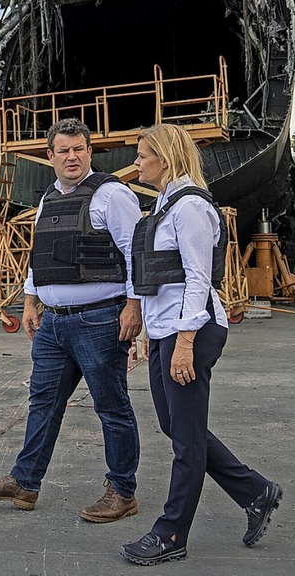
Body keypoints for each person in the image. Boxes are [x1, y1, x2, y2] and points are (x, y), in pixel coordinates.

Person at [121, 124, 282, 565]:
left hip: (191, 329)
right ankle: (255, 491)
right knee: (177, 427)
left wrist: (185, 342)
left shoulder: (190, 208)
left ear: (167, 159)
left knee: (186, 439)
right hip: (166, 331)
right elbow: (159, 282)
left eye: (142, 155)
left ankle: (171, 534)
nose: (137, 162)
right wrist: (151, 336)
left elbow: (196, 279)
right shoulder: (163, 206)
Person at [0, 118, 143, 520]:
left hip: (99, 320)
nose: (72, 156)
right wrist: (30, 302)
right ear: (50, 157)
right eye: (63, 150)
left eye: (79, 149)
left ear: (89, 152)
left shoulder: (112, 195)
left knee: (111, 407)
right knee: (43, 402)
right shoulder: (48, 198)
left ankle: (123, 492)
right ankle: (25, 482)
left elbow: (136, 254)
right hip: (54, 324)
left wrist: (134, 307)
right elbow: (40, 255)